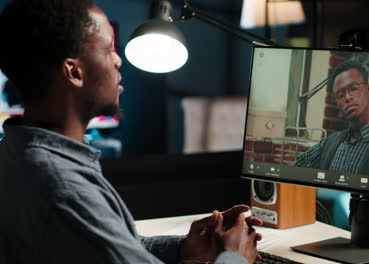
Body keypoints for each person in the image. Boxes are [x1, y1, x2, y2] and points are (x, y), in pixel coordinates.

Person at [0, 0, 261, 263]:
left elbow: (104, 248)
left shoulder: (17, 154)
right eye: (108, 49)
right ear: (74, 71)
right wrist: (234, 256)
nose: (118, 59)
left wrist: (183, 247)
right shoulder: (64, 186)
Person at [294, 60, 369, 180]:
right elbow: (291, 172)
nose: (347, 97)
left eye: (354, 88)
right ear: (336, 103)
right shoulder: (329, 144)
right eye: (340, 94)